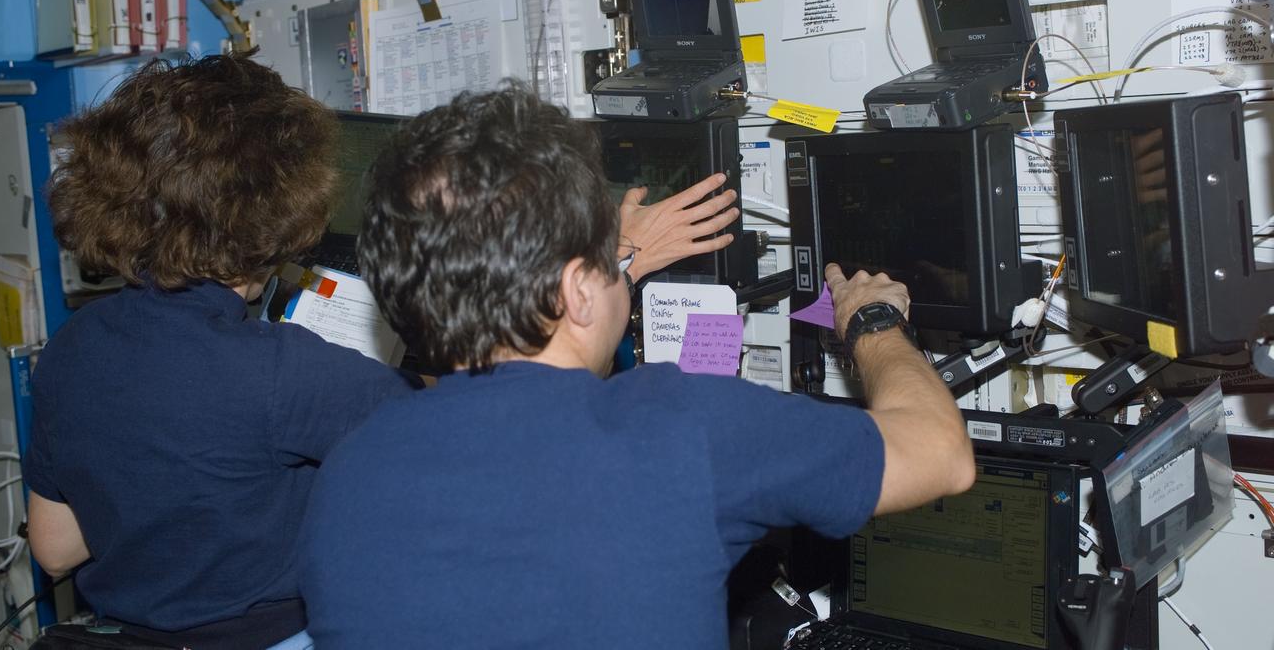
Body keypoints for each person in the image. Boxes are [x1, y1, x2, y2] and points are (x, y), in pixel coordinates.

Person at [25, 56, 736, 650]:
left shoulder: (72, 348)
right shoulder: (280, 372)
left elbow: (55, 547)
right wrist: (617, 265)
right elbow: (495, 422)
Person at [297, 89, 975, 649]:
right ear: (577, 290)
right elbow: (941, 454)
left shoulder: (350, 469)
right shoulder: (676, 428)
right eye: (607, 253)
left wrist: (611, 267)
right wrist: (871, 321)